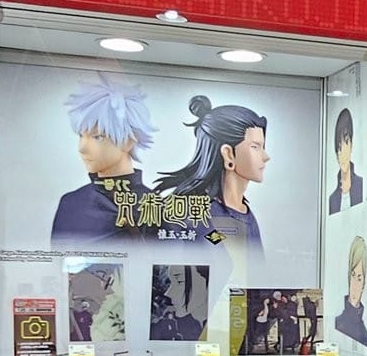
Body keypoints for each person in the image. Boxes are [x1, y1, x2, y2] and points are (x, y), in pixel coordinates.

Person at [155, 96, 270, 263]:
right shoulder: (186, 213)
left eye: (262, 147)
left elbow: (257, 273)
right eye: (255, 147)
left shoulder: (246, 215)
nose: (266, 156)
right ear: (228, 154)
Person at [53, 74, 156, 246]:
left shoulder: (153, 207)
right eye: (81, 136)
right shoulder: (70, 203)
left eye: (97, 137)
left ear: (128, 141)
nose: (82, 148)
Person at [334, 237, 367, 348]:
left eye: (359, 279)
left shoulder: (365, 335)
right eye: (353, 275)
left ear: (364, 284)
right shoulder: (337, 323)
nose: (354, 285)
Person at [328, 107, 364, 213]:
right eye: (339, 147)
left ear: (351, 145)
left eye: (346, 142)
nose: (342, 152)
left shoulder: (361, 186)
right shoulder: (332, 199)